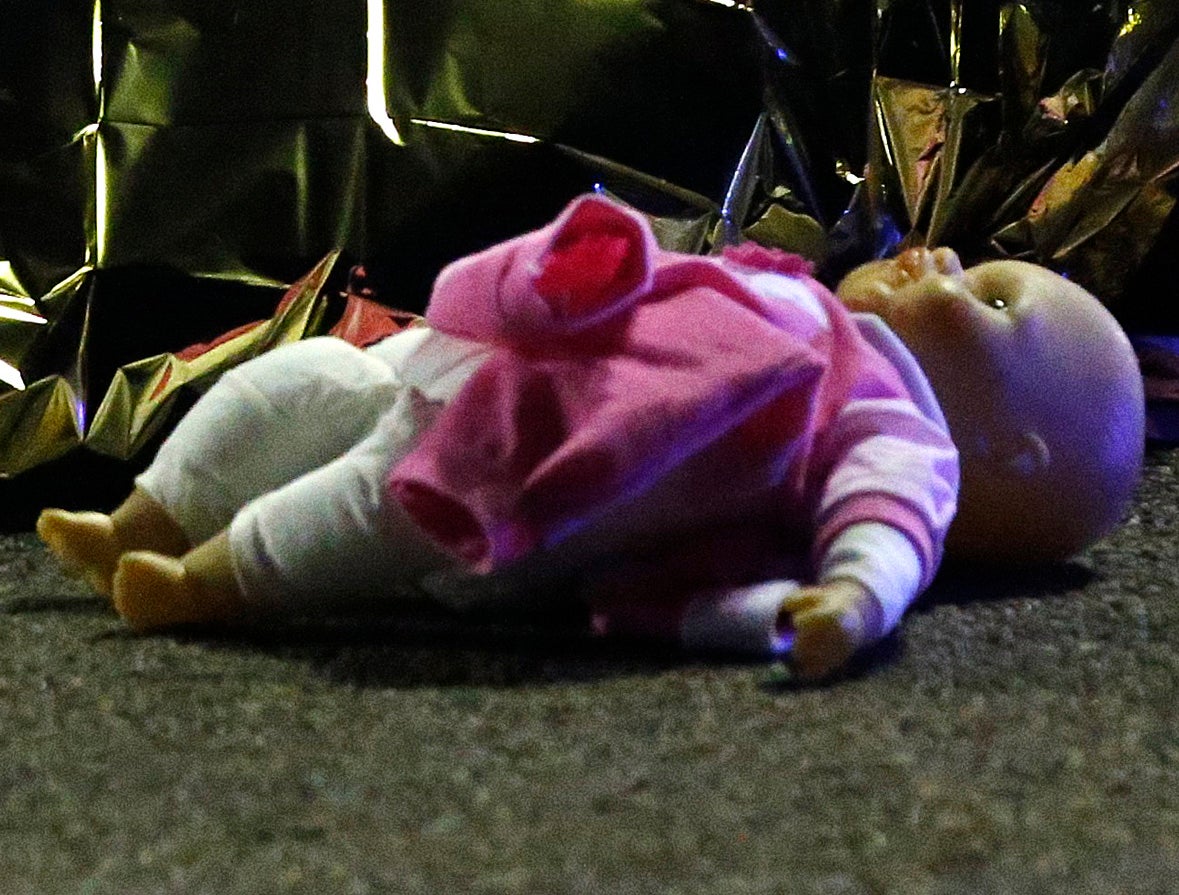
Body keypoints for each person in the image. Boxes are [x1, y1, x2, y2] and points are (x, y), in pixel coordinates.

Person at [35, 194, 1144, 678]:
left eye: (992, 301)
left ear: (1011, 455)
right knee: (302, 381)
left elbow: (888, 522)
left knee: (372, 502)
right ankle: (139, 512)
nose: (944, 257)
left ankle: (204, 582)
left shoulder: (887, 424)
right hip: (446, 370)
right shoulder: (788, 289)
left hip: (510, 487)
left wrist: (851, 595)